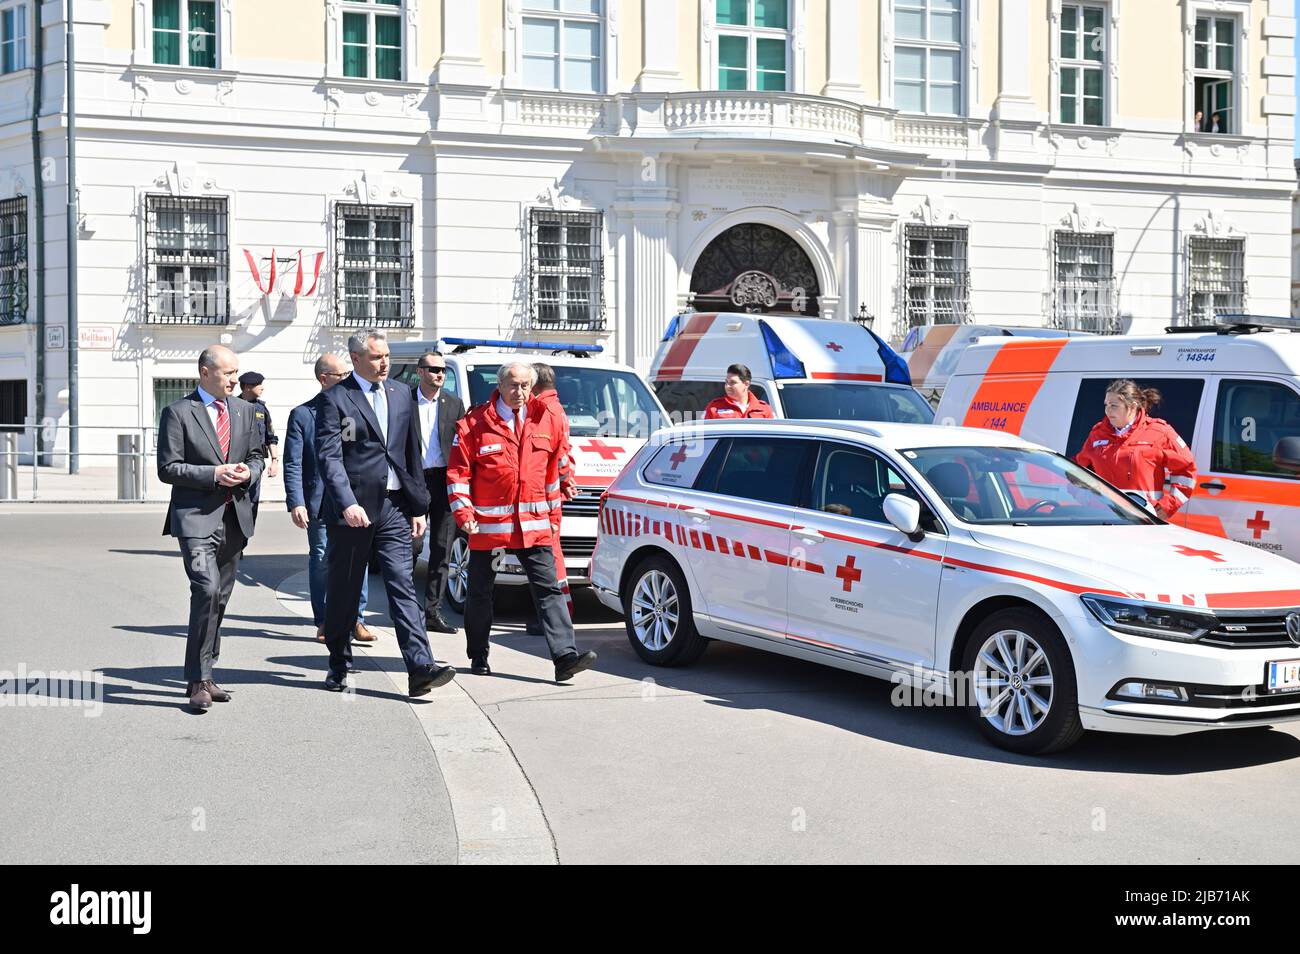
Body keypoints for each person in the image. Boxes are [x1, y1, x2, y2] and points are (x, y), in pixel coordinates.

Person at [315, 330, 456, 697]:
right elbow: (329, 458)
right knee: (344, 592)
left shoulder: (400, 394)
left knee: (403, 585)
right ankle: (339, 662)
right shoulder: (335, 399)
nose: (385, 363)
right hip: (352, 512)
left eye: (387, 356)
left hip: (394, 508)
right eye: (377, 357)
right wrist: (346, 503)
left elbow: (412, 454)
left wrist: (418, 506)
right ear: (356, 358)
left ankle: (420, 667)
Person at [447, 362, 596, 682]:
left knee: (549, 589)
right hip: (488, 528)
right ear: (500, 386)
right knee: (480, 593)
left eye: (526, 386)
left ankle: (565, 656)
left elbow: (556, 471)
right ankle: (478, 654)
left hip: (534, 524)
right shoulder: (475, 424)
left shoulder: (545, 418)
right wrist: (464, 514)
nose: (520, 392)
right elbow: (458, 475)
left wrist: (555, 518)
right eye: (514, 386)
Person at [157, 345, 265, 712]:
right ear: (205, 373)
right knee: (206, 588)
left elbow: (256, 456)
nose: (235, 379)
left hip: (235, 516)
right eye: (227, 373)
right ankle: (198, 680)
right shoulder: (177, 413)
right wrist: (214, 474)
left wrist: (249, 471)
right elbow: (168, 468)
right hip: (194, 516)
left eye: (237, 372)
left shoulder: (246, 411)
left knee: (220, 597)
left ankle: (206, 671)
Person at [283, 353, 374, 644]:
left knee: (359, 558)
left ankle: (357, 619)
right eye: (341, 375)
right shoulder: (302, 414)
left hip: (354, 497)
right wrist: (296, 501)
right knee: (322, 558)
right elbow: (293, 462)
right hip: (320, 501)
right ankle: (324, 621)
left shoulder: (356, 408)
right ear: (324, 379)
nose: (348, 379)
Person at [1075, 379, 1197, 517]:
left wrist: (1166, 507)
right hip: (1102, 516)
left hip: (1142, 518)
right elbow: (1076, 470)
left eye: (1114, 405)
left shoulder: (1160, 432)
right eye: (1106, 404)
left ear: (1132, 407)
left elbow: (1186, 471)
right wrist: (1084, 498)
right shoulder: (1097, 433)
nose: (1108, 410)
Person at [411, 349, 466, 634]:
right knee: (412, 545)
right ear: (420, 371)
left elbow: (462, 444)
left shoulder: (454, 404)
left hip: (443, 481)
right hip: (414, 480)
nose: (439, 375)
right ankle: (406, 607)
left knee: (442, 548)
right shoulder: (404, 401)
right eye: (433, 370)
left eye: (442, 370)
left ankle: (433, 611)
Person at [528, 362, 577, 628]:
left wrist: (564, 479)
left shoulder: (543, 411)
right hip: (550, 497)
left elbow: (553, 454)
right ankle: (559, 610)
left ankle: (554, 615)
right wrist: (567, 479)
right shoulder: (558, 409)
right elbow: (564, 455)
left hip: (542, 499)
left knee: (547, 559)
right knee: (551, 556)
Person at [238, 371, 278, 528]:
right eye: (259, 385)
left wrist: (274, 461)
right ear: (247, 387)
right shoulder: (231, 404)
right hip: (237, 461)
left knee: (252, 502)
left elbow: (270, 436)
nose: (262, 388)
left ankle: (243, 539)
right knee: (236, 502)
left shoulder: (261, 408)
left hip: (256, 463)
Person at [703, 364, 775, 420]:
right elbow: (704, 436)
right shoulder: (714, 407)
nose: (727, 386)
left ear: (746, 384)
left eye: (733, 382)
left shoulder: (764, 409)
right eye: (726, 382)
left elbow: (773, 436)